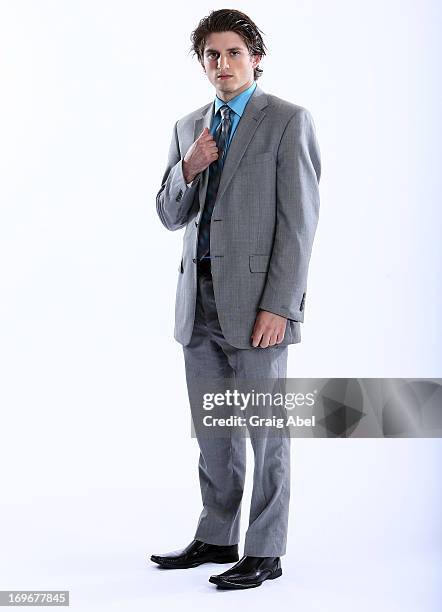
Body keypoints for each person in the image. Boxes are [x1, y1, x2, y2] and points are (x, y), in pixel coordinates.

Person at [151, 9, 321, 589]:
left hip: (256, 309)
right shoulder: (188, 127)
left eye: (232, 52)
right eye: (211, 55)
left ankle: (265, 550)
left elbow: (298, 226)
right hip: (196, 306)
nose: (222, 64)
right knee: (214, 431)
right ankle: (217, 534)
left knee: (267, 430)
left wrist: (282, 305)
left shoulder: (287, 122)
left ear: (255, 57)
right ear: (203, 63)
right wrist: (188, 167)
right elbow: (170, 214)